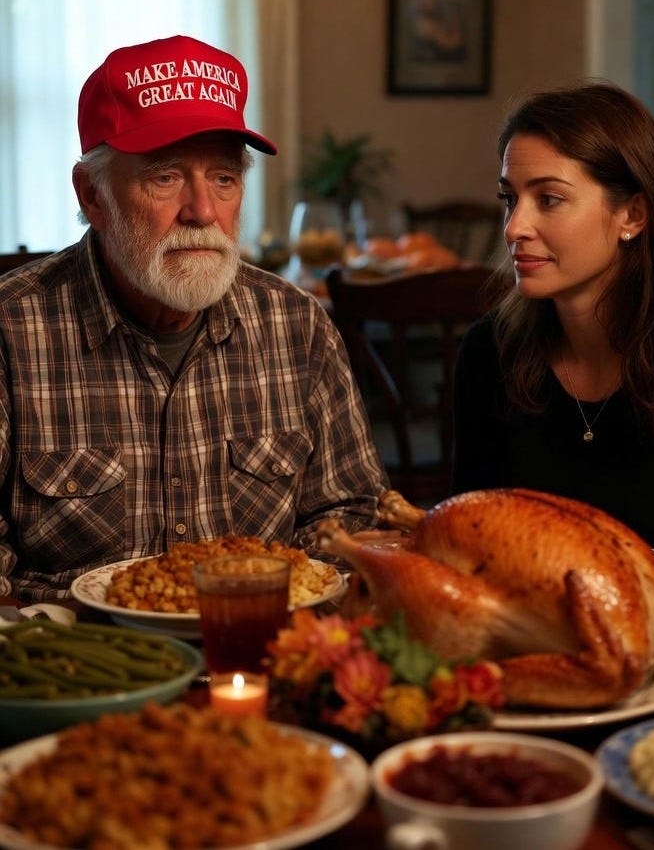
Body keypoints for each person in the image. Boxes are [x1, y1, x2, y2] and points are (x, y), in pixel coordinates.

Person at [0, 34, 387, 601]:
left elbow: (350, 515)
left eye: (224, 179)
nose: (203, 211)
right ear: (92, 195)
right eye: (165, 177)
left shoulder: (297, 325)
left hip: (261, 639)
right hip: (73, 648)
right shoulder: (11, 329)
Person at [452, 81, 654, 599]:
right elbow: (465, 546)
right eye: (509, 199)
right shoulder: (489, 353)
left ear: (632, 215)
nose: (515, 227)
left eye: (549, 199)